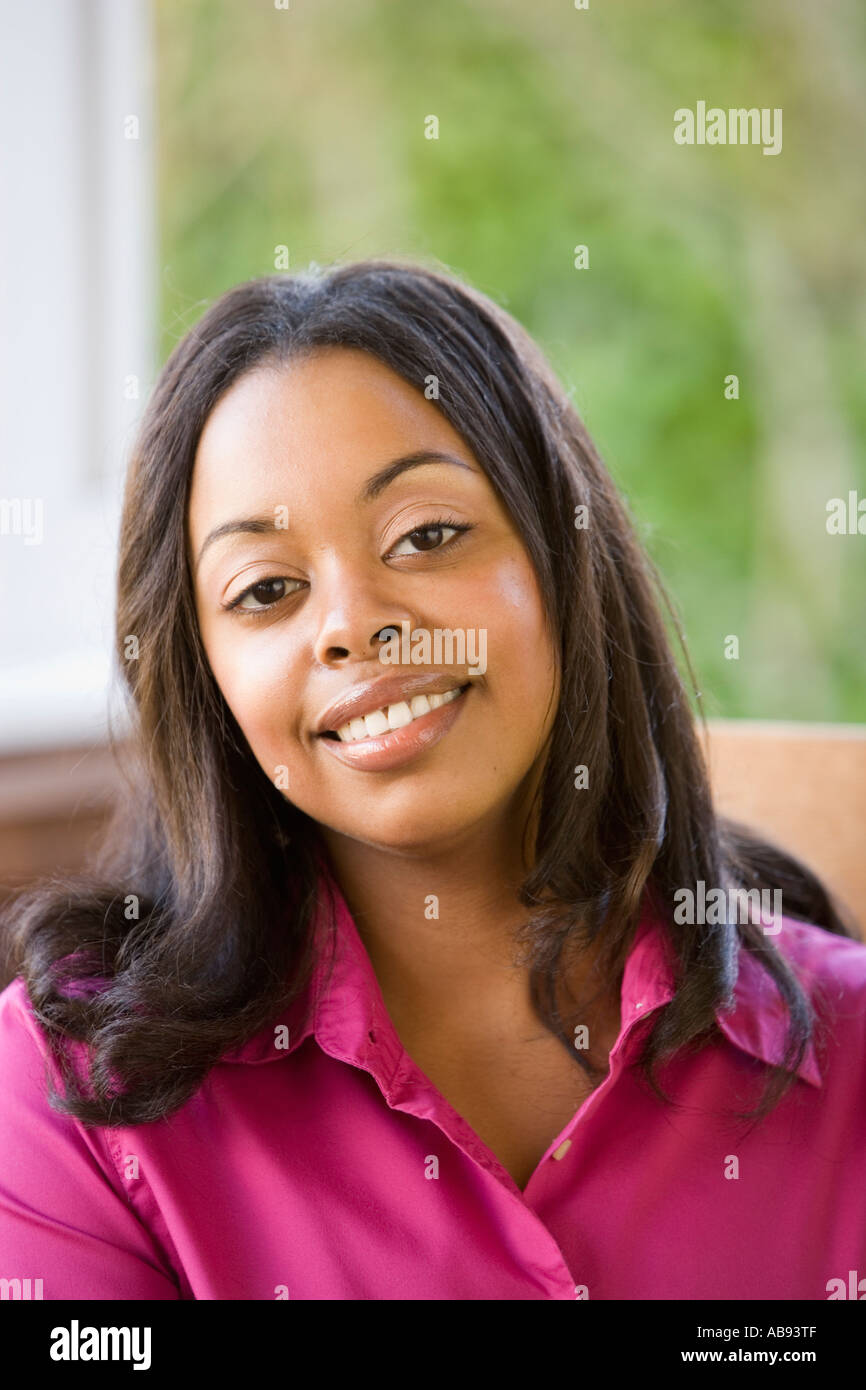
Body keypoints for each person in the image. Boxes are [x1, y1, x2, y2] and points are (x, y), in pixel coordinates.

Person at [0, 258, 864, 1301]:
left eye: (426, 535)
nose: (352, 623)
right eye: (266, 589)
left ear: (561, 554)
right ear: (205, 675)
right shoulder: (71, 1101)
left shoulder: (845, 1055)